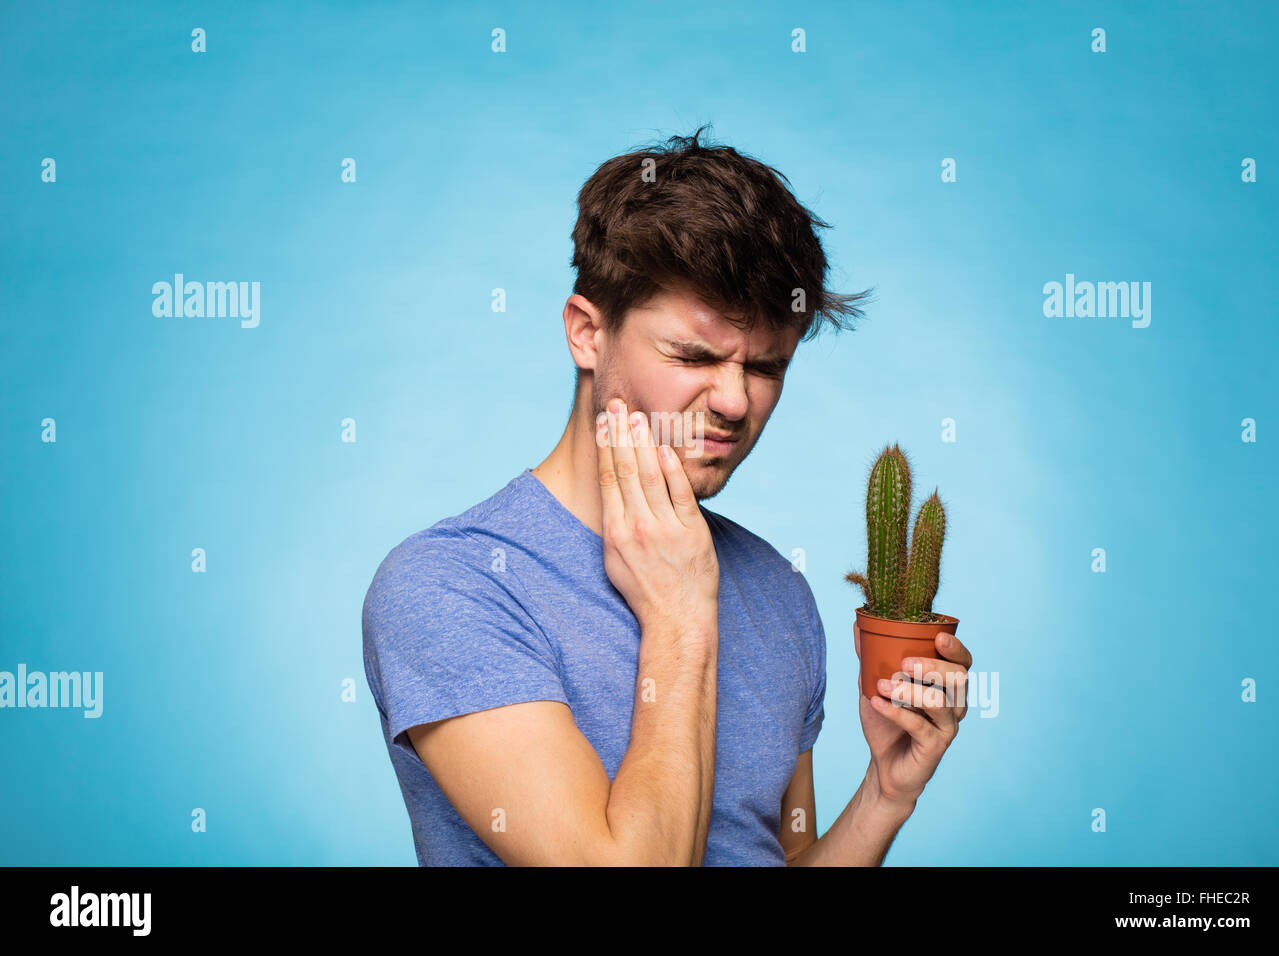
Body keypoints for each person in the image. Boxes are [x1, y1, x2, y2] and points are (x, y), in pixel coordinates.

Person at [361, 125, 972, 865]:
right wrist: (681, 612)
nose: (736, 401)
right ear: (587, 333)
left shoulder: (778, 591)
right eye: (694, 355)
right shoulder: (450, 587)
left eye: (767, 368)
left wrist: (885, 793)